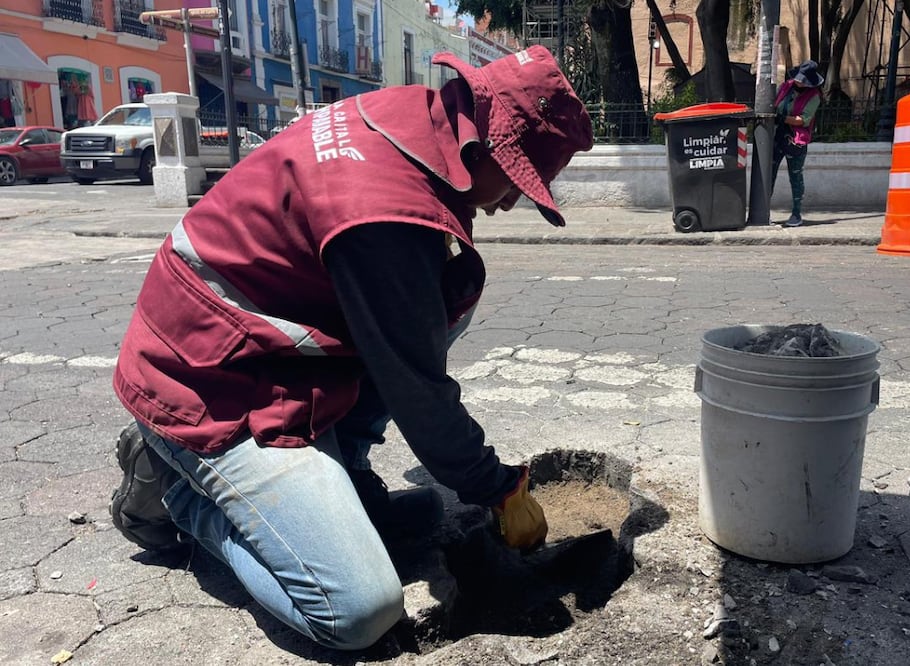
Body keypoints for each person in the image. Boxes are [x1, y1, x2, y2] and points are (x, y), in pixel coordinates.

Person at [108, 46, 593, 650]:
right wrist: (495, 485)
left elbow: (403, 341)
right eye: (520, 178)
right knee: (357, 610)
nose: (512, 201)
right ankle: (186, 494)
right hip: (203, 377)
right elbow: (415, 387)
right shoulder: (384, 211)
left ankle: (346, 475)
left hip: (267, 344)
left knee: (436, 316)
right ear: (487, 145)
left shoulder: (414, 116)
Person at [771, 59, 825, 227]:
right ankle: (763, 209)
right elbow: (776, 105)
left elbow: (803, 120)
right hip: (778, 135)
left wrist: (783, 118)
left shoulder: (814, 96)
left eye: (802, 80)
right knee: (769, 173)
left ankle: (796, 212)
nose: (798, 82)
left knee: (795, 176)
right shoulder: (786, 87)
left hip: (795, 140)